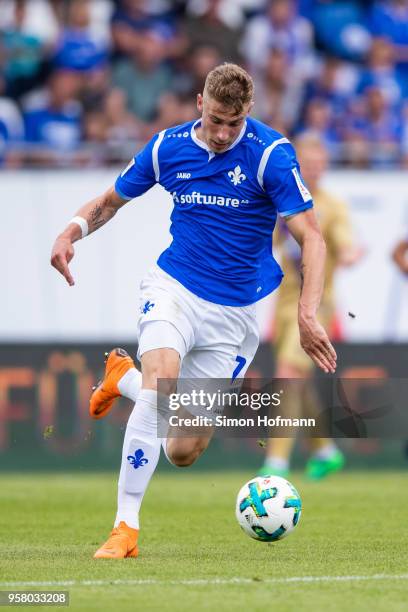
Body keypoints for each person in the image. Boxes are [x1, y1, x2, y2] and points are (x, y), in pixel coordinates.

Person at [51, 63, 337, 559]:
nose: (225, 133)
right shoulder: (167, 147)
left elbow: (311, 237)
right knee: (162, 385)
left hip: (236, 313)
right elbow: (110, 200)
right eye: (218, 119)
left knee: (183, 449)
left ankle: (122, 378)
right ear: (200, 104)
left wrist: (308, 312)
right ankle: (125, 526)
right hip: (175, 287)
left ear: (249, 112)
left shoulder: (270, 154)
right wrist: (70, 231)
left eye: (236, 122)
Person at [259, 133, 361, 480]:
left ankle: (275, 465)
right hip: (284, 303)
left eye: (320, 165)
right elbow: (269, 242)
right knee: (297, 381)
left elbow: (346, 242)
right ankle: (325, 449)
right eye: (308, 165)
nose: (314, 171)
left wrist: (350, 253)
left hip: (317, 305)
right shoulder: (283, 202)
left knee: (287, 376)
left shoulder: (333, 207)